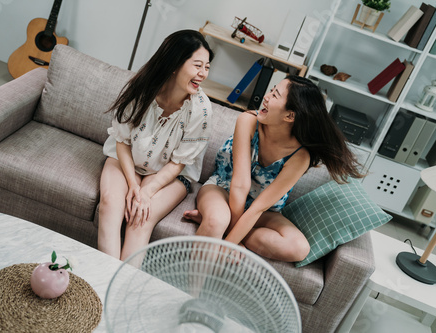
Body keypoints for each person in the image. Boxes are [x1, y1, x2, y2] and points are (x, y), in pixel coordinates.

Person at [184, 75, 364, 262]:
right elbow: (239, 186)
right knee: (215, 221)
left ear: (290, 115)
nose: (267, 97)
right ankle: (220, 226)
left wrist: (232, 238)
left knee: (299, 248)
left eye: (275, 95)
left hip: (261, 211)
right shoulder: (248, 121)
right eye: (271, 90)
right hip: (223, 189)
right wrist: (232, 242)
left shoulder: (300, 156)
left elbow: (258, 208)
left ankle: (228, 225)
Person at [99, 30, 214, 260]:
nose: (203, 74)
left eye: (207, 67)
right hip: (127, 158)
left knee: (141, 217)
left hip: (169, 172)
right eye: (197, 65)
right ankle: (103, 284)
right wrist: (133, 184)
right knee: (110, 205)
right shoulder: (142, 88)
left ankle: (120, 292)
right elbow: (122, 141)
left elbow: (178, 163)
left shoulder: (201, 110)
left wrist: (145, 193)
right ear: (175, 63)